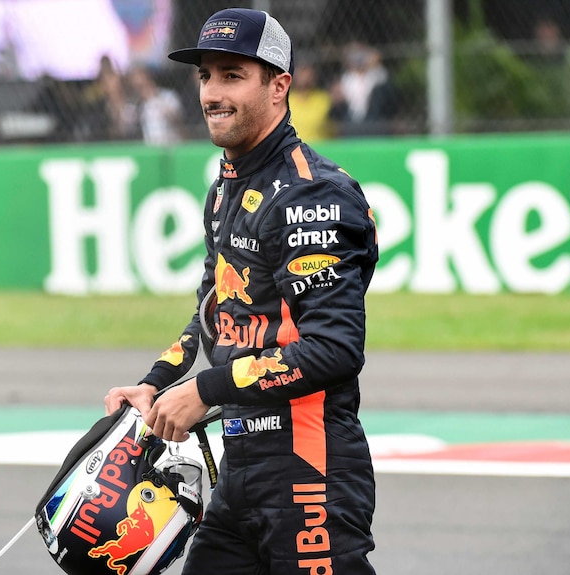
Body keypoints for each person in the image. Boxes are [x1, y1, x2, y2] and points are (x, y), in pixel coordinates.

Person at [105, 7, 379, 575]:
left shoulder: (313, 195)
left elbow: (334, 348)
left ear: (279, 86)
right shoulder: (225, 188)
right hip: (239, 465)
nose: (211, 92)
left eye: (233, 75)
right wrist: (155, 384)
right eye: (206, 75)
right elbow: (215, 313)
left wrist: (204, 389)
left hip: (310, 467)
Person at [328, 42, 398, 137]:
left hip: (373, 117)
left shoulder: (375, 74)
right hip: (350, 118)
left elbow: (381, 72)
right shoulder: (347, 77)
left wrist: (371, 62)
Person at [128, 64, 184, 145]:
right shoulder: (136, 105)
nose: (141, 89)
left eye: (142, 84)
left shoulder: (168, 96)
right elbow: (127, 125)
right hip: (151, 148)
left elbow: (178, 119)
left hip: (173, 144)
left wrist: (154, 98)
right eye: (137, 87)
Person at [288, 62, 333, 142]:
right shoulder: (287, 100)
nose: (304, 77)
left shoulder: (323, 99)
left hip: (320, 149)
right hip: (295, 149)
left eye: (307, 73)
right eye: (301, 72)